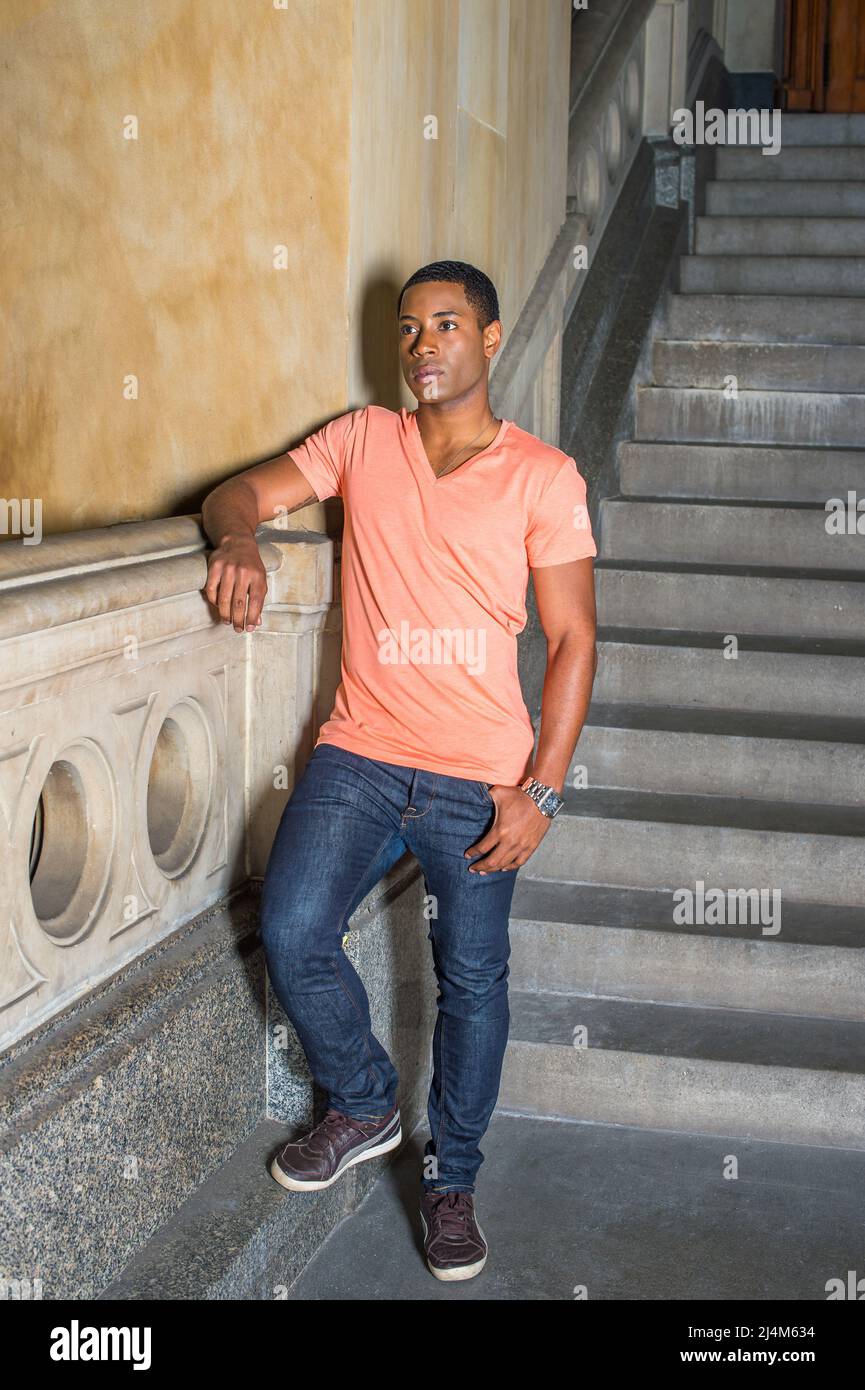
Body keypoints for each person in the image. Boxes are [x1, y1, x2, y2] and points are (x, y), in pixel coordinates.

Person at [200, 260, 597, 1282]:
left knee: (471, 982)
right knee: (288, 925)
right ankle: (365, 1097)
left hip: (481, 777)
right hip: (362, 753)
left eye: (447, 325)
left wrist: (541, 787)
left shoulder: (544, 477)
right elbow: (237, 492)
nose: (424, 347)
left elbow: (571, 640)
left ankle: (452, 1178)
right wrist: (239, 537)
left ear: (493, 339)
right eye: (409, 329)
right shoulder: (361, 440)